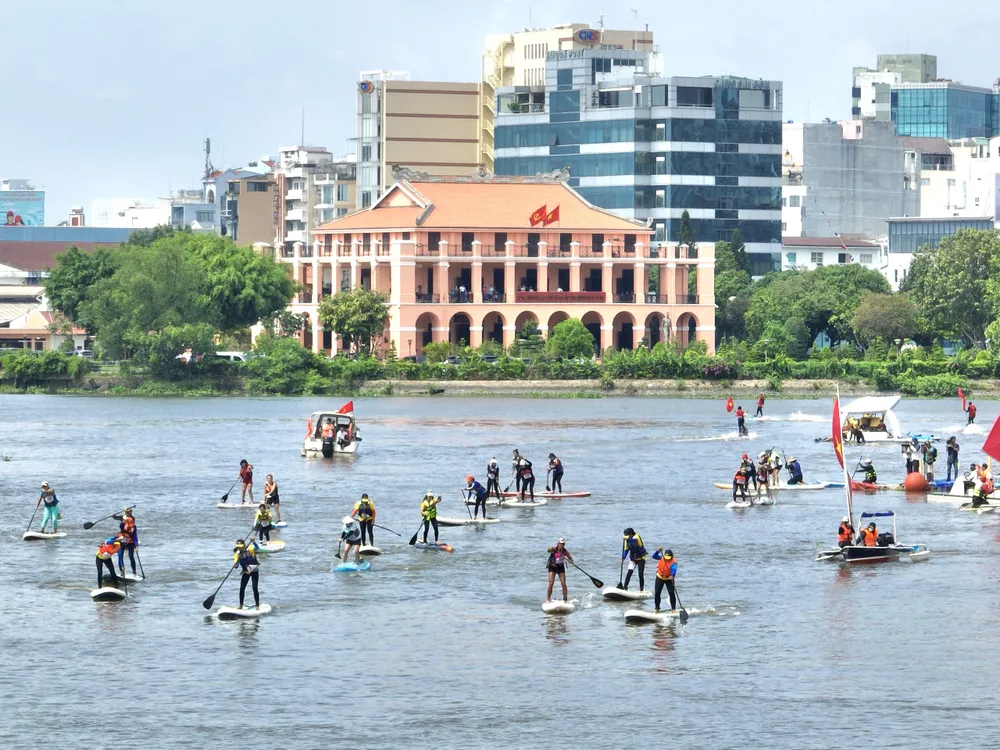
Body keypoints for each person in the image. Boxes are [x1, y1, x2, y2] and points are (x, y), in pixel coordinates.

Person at [233, 539, 260, 610]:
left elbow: (257, 548)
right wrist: (235, 565)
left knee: (254, 587)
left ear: (244, 545)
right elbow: (236, 566)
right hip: (246, 572)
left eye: (241, 546)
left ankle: (257, 605)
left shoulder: (250, 548)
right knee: (242, 588)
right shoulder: (237, 554)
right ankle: (241, 605)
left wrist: (253, 541)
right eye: (238, 547)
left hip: (254, 570)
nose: (240, 548)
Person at [545, 538, 573, 603]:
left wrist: (570, 561)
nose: (562, 545)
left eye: (563, 544)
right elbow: (548, 550)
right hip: (552, 567)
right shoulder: (554, 549)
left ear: (564, 544)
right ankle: (548, 599)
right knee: (551, 583)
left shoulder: (565, 551)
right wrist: (550, 548)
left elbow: (570, 558)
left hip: (560, 567)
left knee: (563, 584)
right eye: (560, 544)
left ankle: (565, 599)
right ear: (558, 544)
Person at [651, 548, 677, 614]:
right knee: (657, 593)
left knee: (671, 593)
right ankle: (657, 608)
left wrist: (672, 576)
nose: (667, 559)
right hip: (660, 577)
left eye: (669, 557)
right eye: (666, 557)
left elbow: (674, 570)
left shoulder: (673, 563)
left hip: (669, 578)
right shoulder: (662, 558)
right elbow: (654, 556)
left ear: (671, 557)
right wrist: (658, 551)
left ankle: (673, 609)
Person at [117, 508, 139, 577]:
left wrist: (136, 545)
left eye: (132, 521)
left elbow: (135, 536)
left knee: (131, 556)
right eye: (130, 521)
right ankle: (121, 571)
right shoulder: (123, 523)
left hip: (130, 542)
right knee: (120, 556)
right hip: (122, 541)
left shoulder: (134, 527)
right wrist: (122, 520)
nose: (132, 522)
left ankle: (134, 572)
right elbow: (120, 526)